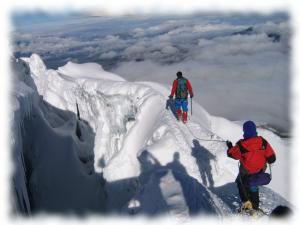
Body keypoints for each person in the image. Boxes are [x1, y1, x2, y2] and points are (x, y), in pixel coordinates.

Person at [226, 120, 276, 212]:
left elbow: (232, 155)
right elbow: (272, 158)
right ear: (255, 130)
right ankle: (255, 207)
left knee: (240, 182)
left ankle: (246, 202)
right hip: (260, 169)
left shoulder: (241, 145)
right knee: (253, 184)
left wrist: (229, 147)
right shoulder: (263, 142)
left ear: (244, 131)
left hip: (247, 171)